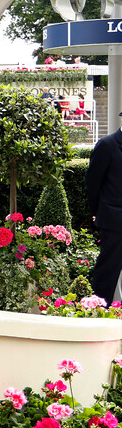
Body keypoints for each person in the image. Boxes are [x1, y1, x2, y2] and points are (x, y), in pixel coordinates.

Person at [86, 114, 122, 304]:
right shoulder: (106, 145)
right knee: (108, 270)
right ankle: (99, 311)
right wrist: (96, 212)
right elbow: (92, 183)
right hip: (115, 221)